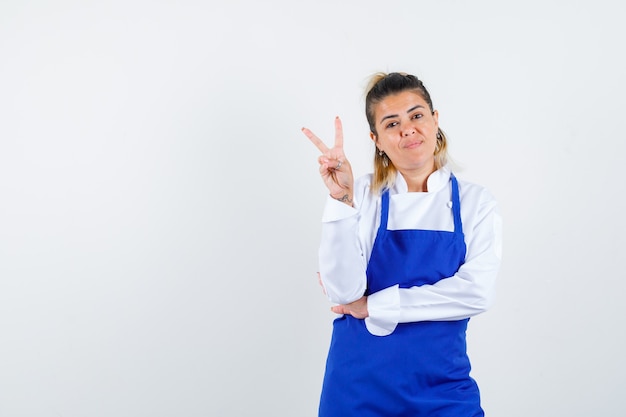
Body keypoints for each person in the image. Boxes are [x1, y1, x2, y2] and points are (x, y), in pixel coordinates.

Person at [301, 72, 503, 417]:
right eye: (392, 123)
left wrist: (375, 306)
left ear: (435, 120)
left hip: (444, 389)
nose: (408, 129)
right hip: (357, 389)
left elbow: (476, 292)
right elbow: (343, 293)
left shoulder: (475, 203)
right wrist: (341, 200)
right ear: (376, 139)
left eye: (417, 115)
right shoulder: (361, 195)